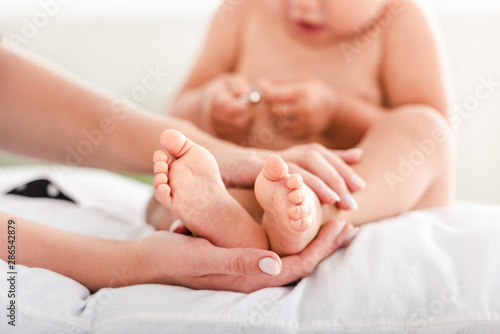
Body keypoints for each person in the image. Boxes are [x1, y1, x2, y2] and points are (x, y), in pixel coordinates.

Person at [0, 40, 357, 292]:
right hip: (241, 189)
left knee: (414, 126)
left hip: (248, 181)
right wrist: (130, 263)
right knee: (166, 205)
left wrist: (226, 153)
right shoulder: (248, 12)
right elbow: (182, 103)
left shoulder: (400, 28)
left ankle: (268, 227)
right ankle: (278, 227)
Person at [148, 0, 455, 256]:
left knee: (425, 127)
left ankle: (311, 216)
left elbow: (434, 135)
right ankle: (238, 219)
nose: (302, 5)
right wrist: (209, 108)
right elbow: (176, 116)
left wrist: (337, 113)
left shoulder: (400, 20)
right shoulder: (244, 10)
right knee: (174, 180)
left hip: (362, 202)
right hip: (250, 193)